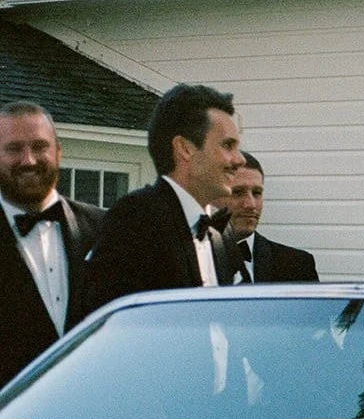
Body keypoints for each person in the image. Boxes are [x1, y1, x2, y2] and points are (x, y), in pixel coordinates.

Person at [86, 83, 246, 312]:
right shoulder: (136, 218)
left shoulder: (220, 231)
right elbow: (112, 321)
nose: (239, 160)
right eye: (228, 145)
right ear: (184, 148)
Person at [0, 102, 102, 385]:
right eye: (13, 149)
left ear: (58, 152)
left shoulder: (104, 229)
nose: (29, 160)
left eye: (39, 146)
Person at [220, 152, 319, 283]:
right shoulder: (192, 259)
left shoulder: (297, 265)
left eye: (257, 193)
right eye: (237, 192)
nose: (251, 204)